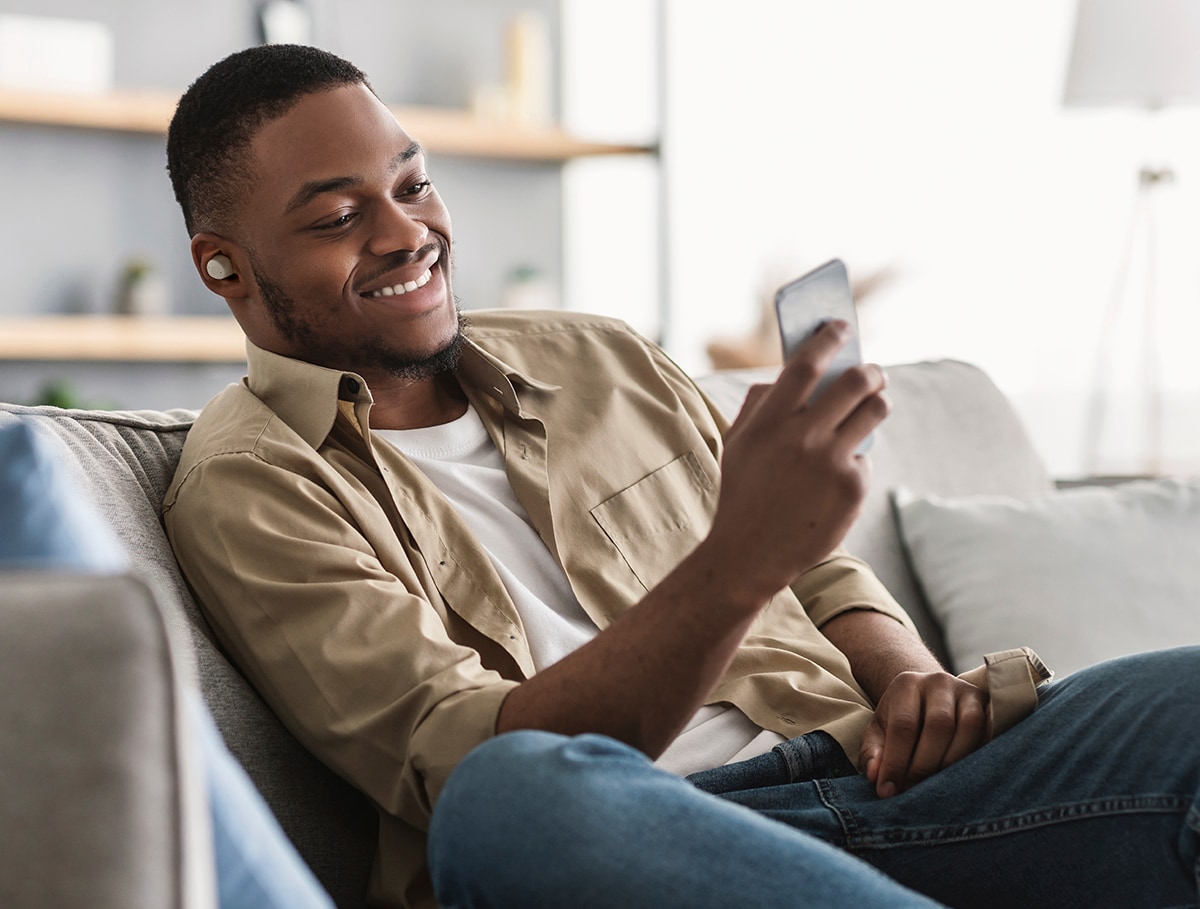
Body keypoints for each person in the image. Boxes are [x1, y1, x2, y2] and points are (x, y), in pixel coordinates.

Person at [161, 43, 1200, 909]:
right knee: (507, 797)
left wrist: (906, 675)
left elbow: (817, 570)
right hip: (644, 846)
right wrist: (738, 564)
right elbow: (462, 764)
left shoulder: (600, 358)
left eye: (414, 184)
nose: (406, 234)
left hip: (884, 781)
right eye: (337, 218)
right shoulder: (250, 484)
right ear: (226, 267)